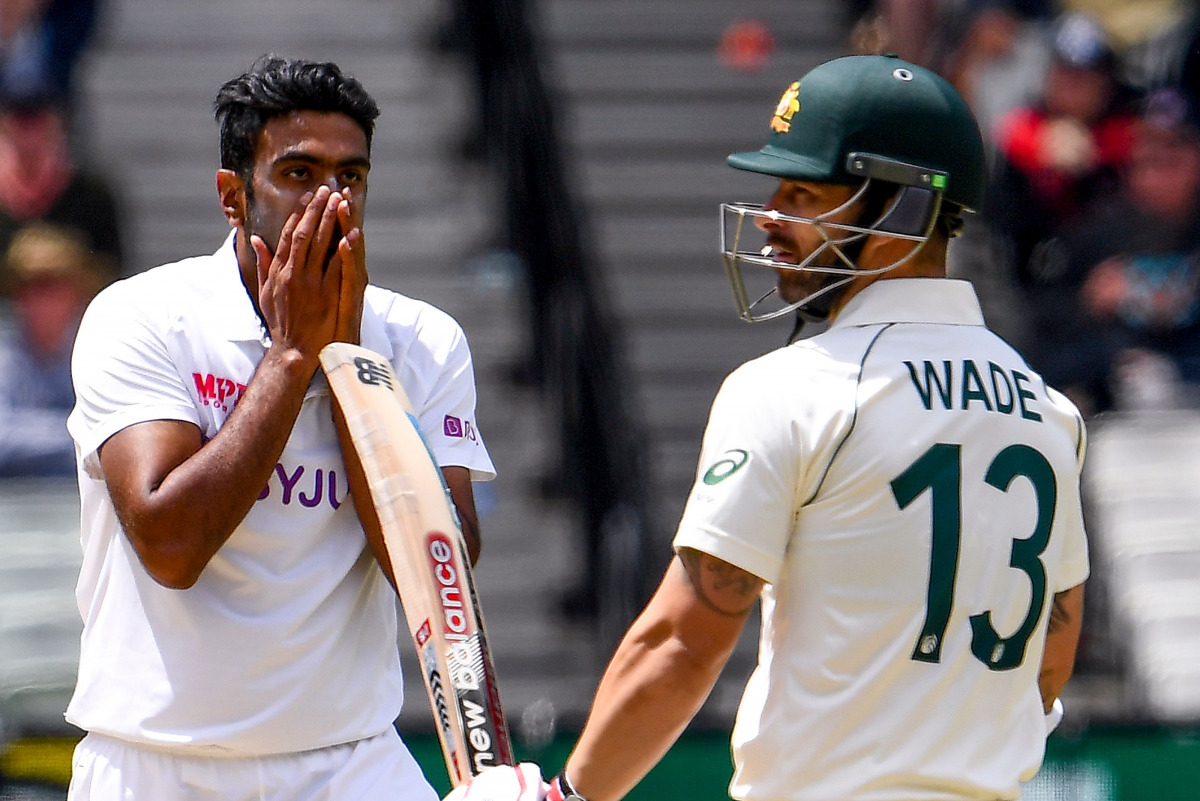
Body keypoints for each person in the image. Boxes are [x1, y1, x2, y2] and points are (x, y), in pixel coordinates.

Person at [450, 55, 1089, 801]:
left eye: (802, 194)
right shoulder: (1051, 412)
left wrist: (567, 794)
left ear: (905, 214)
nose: (768, 217)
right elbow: (1053, 651)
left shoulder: (793, 389)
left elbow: (684, 642)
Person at [64, 55, 494, 801]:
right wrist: (293, 356)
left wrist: (348, 362)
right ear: (233, 197)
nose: (331, 200)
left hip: (350, 761)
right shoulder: (141, 318)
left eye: (351, 176)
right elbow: (171, 544)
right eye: (299, 173)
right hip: (156, 763)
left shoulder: (423, 341)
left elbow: (438, 578)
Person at [0, 222, 106, 477]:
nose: (41, 299)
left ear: (77, 292)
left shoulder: (101, 351)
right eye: (30, 286)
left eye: (54, 285)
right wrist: (78, 435)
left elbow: (122, 434)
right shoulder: (4, 355)